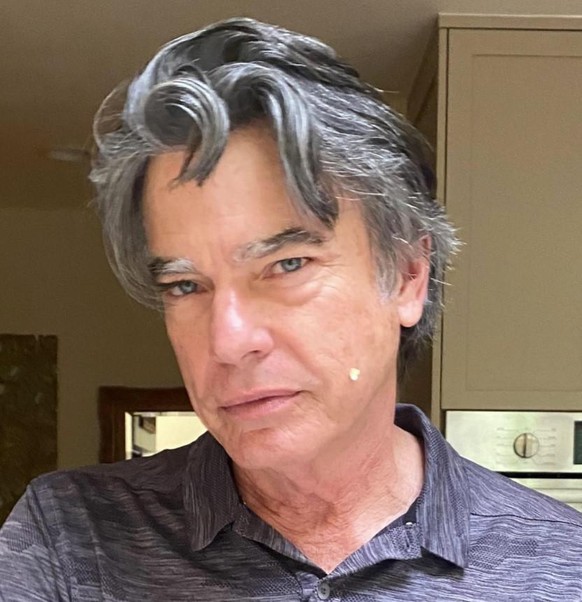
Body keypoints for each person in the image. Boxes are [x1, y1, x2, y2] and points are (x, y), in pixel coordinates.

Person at [1, 17, 581, 602]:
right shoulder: (70, 539)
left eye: (287, 264)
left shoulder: (564, 565)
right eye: (185, 285)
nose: (227, 342)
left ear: (408, 276)